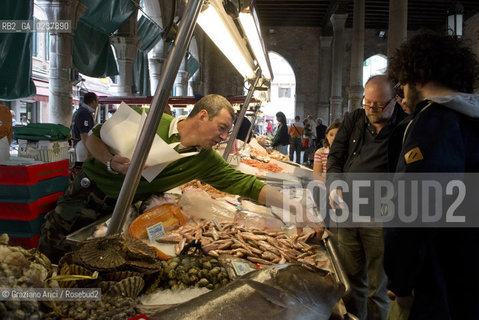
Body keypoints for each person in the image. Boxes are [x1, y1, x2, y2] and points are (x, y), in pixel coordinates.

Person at [39, 94, 321, 262]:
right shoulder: (149, 122)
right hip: (86, 195)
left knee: (96, 263)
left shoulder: (204, 159)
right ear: (201, 116)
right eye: (222, 128)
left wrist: (296, 208)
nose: (224, 137)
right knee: (55, 251)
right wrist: (110, 161)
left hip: (120, 212)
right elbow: (94, 141)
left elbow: (246, 184)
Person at [385, 33, 479, 320]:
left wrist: (400, 281)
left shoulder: (436, 122)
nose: (402, 92)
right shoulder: (470, 119)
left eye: (402, 83)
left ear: (419, 74)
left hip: (441, 285)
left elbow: (412, 214)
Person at [326, 74, 408, 320]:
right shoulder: (354, 120)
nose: (372, 109)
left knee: (377, 287)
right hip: (348, 212)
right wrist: (334, 186)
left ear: (394, 100)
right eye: (368, 103)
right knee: (351, 281)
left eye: (379, 104)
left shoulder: (405, 126)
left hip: (380, 218)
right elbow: (335, 158)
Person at [71, 92, 99, 165]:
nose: (97, 105)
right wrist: (89, 151)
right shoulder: (84, 113)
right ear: (93, 102)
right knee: (85, 167)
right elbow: (84, 134)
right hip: (83, 145)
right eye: (97, 102)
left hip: (82, 144)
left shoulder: (81, 111)